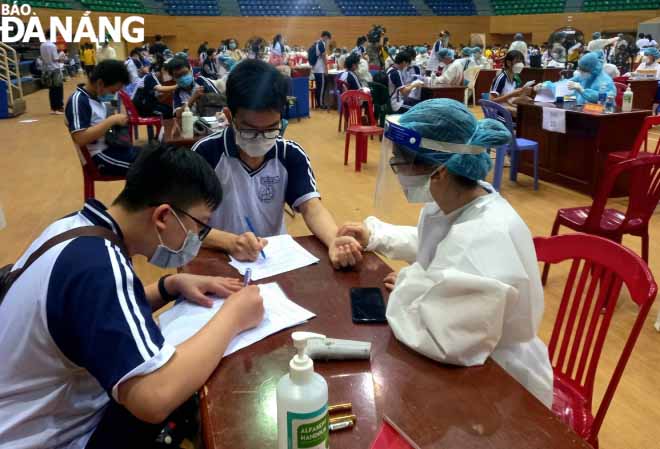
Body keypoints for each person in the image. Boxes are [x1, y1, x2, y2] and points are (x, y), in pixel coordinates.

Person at [0, 144, 265, 449]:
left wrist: (169, 286)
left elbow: (88, 318)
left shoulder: (77, 229)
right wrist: (234, 316)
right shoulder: (97, 267)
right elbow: (153, 398)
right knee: (184, 389)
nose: (198, 239)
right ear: (164, 216)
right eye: (200, 227)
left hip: (24, 415)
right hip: (49, 438)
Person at [337, 99, 553, 408]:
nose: (397, 172)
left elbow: (437, 337)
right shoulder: (463, 199)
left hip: (499, 384)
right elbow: (435, 241)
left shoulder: (482, 237)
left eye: (400, 163)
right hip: (474, 360)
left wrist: (412, 281)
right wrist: (376, 236)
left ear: (438, 171)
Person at [191, 60, 362, 269]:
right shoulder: (206, 154)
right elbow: (185, 223)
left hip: (271, 261)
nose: (261, 138)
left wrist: (333, 239)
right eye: (250, 130)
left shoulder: (289, 154)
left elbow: (311, 207)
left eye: (271, 128)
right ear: (229, 116)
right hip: (217, 259)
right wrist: (230, 242)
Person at [65, 60, 141, 176]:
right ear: (100, 83)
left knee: (155, 157)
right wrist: (112, 120)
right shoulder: (78, 100)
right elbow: (80, 138)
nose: (112, 94)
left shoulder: (96, 98)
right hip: (98, 157)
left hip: (112, 148)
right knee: (147, 169)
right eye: (112, 91)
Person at [540, 52, 615, 105]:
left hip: (599, 112)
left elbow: (605, 98)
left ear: (592, 70)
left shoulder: (605, 81)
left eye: (584, 70)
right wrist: (546, 85)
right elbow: (565, 84)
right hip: (579, 106)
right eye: (580, 69)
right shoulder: (582, 76)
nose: (581, 72)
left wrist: (582, 90)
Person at [40, 31, 66, 115]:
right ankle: (59, 107)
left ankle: (53, 108)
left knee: (51, 89)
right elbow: (55, 58)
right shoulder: (52, 45)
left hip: (47, 69)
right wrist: (61, 56)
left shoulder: (42, 45)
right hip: (55, 69)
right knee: (58, 88)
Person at [312, 31, 332, 109]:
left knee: (319, 86)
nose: (327, 41)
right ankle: (321, 104)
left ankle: (318, 103)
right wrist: (326, 68)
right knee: (322, 87)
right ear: (325, 37)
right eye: (328, 39)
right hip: (320, 69)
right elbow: (323, 57)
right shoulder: (321, 43)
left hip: (316, 68)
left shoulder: (316, 43)